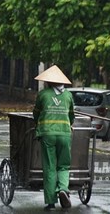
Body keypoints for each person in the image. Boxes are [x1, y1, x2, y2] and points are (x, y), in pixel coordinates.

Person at [33, 65, 75, 211]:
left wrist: (37, 123)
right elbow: (71, 116)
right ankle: (63, 188)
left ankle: (51, 202)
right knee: (63, 165)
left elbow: (36, 113)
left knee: (50, 167)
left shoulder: (43, 94)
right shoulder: (68, 95)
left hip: (47, 135)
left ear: (49, 82)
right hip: (65, 134)